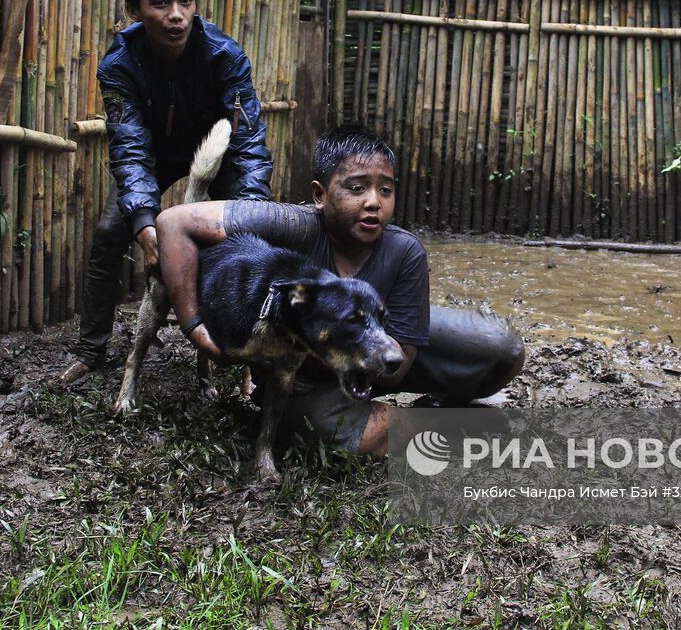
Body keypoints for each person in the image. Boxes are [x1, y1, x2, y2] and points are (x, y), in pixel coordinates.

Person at [157, 126, 526, 456]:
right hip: (305, 382)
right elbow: (173, 223)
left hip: (373, 352)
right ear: (320, 194)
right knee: (353, 436)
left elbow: (396, 369)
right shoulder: (291, 224)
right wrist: (194, 328)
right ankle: (438, 423)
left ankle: (439, 409)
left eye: (386, 190)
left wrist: (329, 346)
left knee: (502, 349)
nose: (373, 201)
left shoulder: (404, 251)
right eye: (356, 187)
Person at [58, 0, 274, 385]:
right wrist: (143, 221)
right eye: (160, 2)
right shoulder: (119, 64)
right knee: (109, 234)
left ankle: (249, 350)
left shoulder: (225, 56)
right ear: (135, 9)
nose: (176, 14)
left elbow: (248, 141)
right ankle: (91, 348)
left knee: (250, 239)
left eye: (186, 0)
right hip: (154, 154)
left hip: (218, 150)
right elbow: (130, 146)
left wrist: (249, 209)